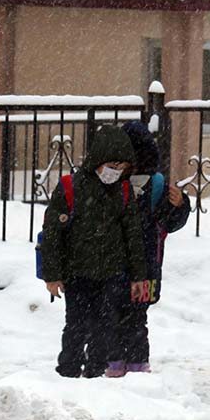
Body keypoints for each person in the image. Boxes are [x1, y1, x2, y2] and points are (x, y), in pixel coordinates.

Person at [39, 124, 149, 379]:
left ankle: (96, 372)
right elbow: (53, 235)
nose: (116, 172)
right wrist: (52, 275)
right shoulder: (70, 187)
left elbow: (132, 235)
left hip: (111, 274)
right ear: (98, 160)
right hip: (77, 274)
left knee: (105, 326)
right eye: (112, 165)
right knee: (76, 325)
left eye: (122, 168)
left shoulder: (122, 191)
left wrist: (138, 276)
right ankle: (68, 370)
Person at [104, 121, 192, 377]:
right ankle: (117, 362)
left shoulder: (156, 185)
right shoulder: (110, 182)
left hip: (143, 267)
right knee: (115, 315)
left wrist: (180, 205)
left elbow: (169, 223)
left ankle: (134, 363)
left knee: (134, 317)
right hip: (118, 265)